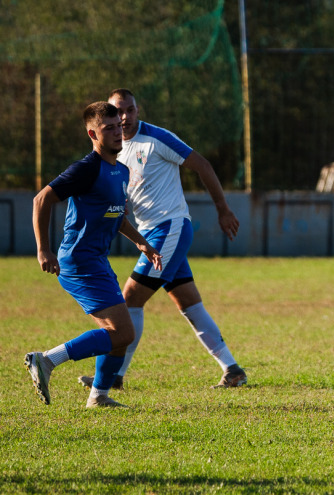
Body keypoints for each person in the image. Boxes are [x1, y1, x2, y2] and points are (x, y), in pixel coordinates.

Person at [77, 88, 245, 390]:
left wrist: (223, 209)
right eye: (118, 112)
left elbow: (203, 165)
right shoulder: (116, 149)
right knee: (188, 303)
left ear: (138, 110)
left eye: (130, 110)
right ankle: (233, 370)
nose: (125, 117)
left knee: (130, 299)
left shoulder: (157, 138)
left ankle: (113, 377)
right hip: (152, 234)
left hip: (170, 228)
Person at [25, 102, 162, 408]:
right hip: (79, 261)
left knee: (118, 333)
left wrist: (141, 243)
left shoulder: (121, 171)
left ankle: (99, 396)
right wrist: (43, 249)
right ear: (92, 134)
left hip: (97, 260)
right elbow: (41, 199)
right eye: (109, 128)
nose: (118, 132)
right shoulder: (86, 169)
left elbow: (117, 216)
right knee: (122, 332)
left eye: (119, 126)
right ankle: (46, 360)